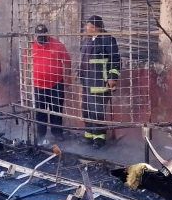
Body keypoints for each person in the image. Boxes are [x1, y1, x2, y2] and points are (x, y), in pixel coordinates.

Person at [78, 15, 120, 148]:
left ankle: (99, 138)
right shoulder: (87, 40)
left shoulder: (108, 39)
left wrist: (112, 77)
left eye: (89, 26)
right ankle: (89, 134)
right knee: (86, 108)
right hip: (87, 81)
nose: (86, 28)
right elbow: (83, 58)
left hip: (100, 82)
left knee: (97, 109)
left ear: (96, 27)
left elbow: (115, 59)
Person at [30, 24, 71, 142]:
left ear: (47, 34)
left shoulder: (57, 45)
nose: (41, 40)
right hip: (39, 85)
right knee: (40, 110)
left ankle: (57, 133)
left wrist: (68, 77)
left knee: (56, 109)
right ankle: (40, 134)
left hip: (56, 84)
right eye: (39, 37)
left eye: (43, 36)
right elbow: (27, 63)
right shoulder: (32, 46)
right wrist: (27, 80)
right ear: (36, 36)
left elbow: (67, 60)